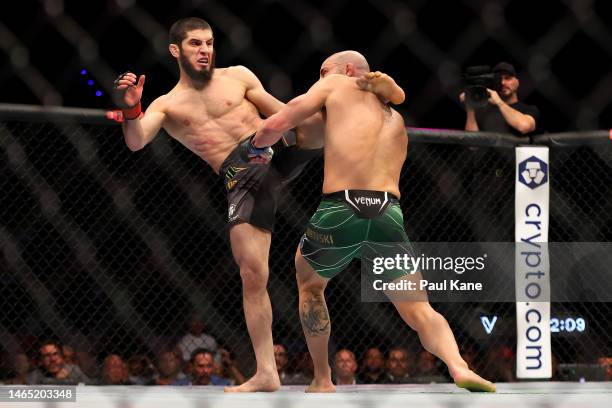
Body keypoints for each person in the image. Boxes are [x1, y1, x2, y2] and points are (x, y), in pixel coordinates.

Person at [113, 17, 397, 392]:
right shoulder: (168, 104)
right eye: (196, 43)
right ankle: (266, 371)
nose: (205, 50)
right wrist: (132, 108)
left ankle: (367, 101)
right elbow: (135, 141)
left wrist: (335, 97)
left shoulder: (239, 76)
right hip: (241, 173)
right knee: (253, 273)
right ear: (175, 50)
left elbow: (287, 113)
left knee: (313, 116)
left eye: (210, 43)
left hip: (273, 149)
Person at [253, 50, 496, 393]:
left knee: (309, 282)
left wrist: (254, 149)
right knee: (418, 308)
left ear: (348, 70)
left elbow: (276, 124)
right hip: (388, 213)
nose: (319, 79)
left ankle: (323, 379)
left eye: (323, 71)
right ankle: (459, 366)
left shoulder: (335, 85)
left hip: (342, 208)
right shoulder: (395, 120)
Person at [461, 62, 540, 136]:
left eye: (508, 78)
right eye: (498, 80)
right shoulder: (485, 111)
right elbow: (472, 145)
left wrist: (499, 102)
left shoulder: (529, 109)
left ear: (517, 82)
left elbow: (524, 126)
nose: (502, 83)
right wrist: (470, 109)